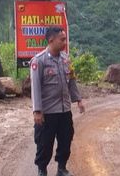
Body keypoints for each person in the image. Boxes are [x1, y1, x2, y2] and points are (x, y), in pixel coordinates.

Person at [30, 26, 85, 176]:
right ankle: (42, 170)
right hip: (47, 112)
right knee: (44, 144)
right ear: (51, 40)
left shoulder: (66, 59)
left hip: (64, 110)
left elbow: (71, 80)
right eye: (62, 40)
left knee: (66, 140)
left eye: (65, 39)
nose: (64, 42)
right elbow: (35, 88)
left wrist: (78, 100)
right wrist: (37, 111)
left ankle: (61, 169)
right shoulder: (39, 61)